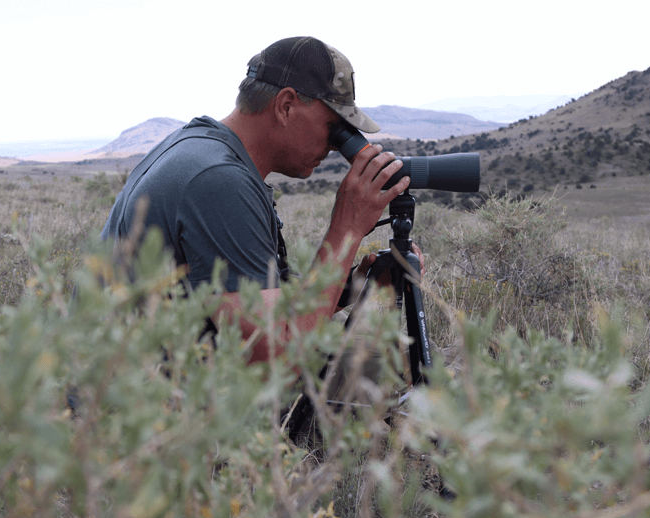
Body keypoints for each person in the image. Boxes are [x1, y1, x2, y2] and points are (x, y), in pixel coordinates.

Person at [100, 36, 423, 368]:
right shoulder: (219, 181)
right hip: (129, 409)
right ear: (285, 106)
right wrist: (347, 228)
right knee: (369, 366)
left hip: (137, 391)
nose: (334, 146)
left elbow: (262, 304)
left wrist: (351, 286)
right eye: (333, 127)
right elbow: (279, 358)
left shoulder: (199, 146)